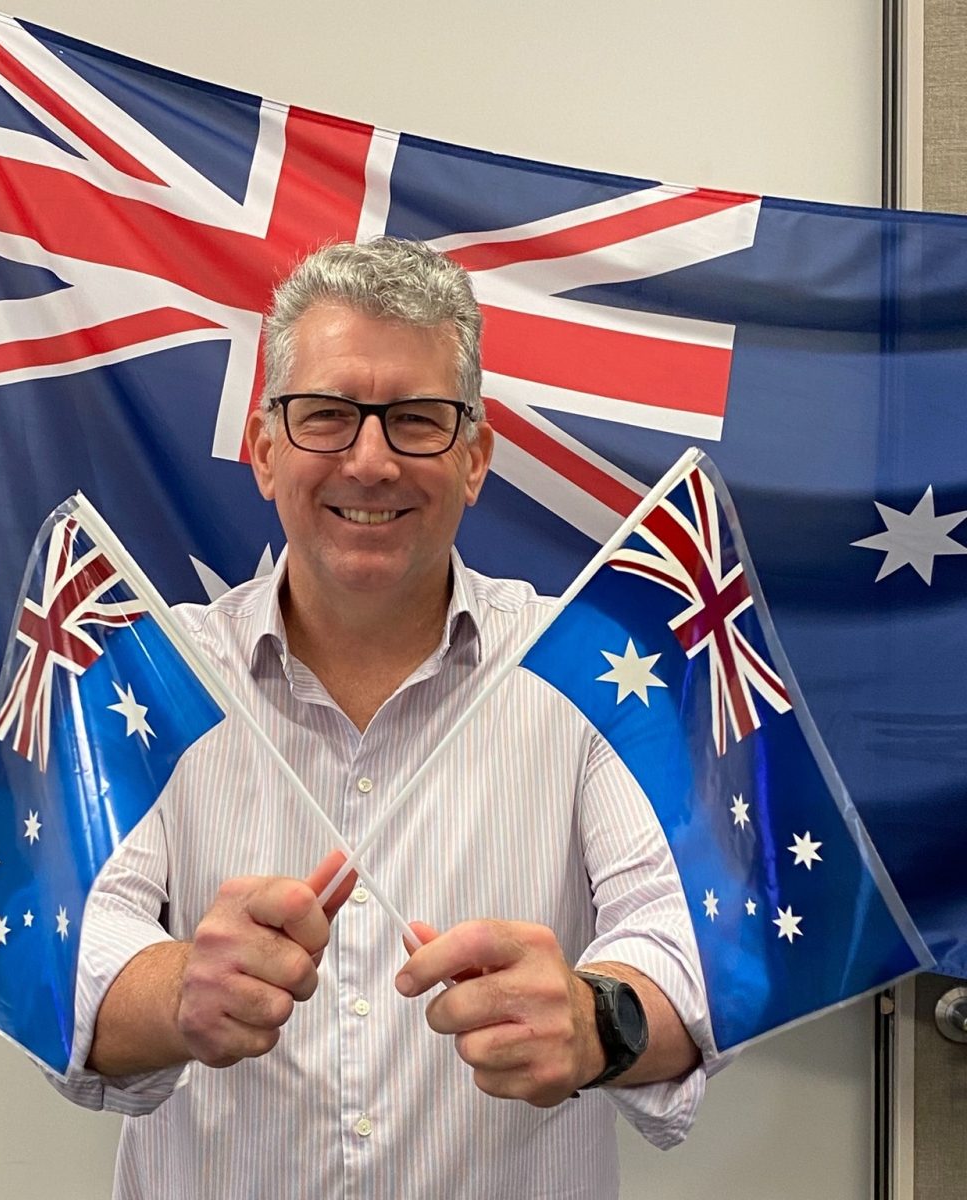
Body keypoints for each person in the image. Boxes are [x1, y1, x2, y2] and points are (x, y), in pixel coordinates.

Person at [51, 238, 715, 1198]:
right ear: (265, 450)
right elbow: (66, 948)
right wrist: (181, 988)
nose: (370, 461)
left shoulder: (591, 672)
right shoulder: (147, 674)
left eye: (417, 421)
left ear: (476, 457)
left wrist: (591, 1020)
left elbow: (690, 937)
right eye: (326, 417)